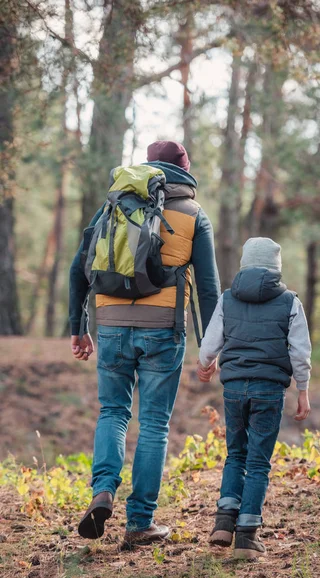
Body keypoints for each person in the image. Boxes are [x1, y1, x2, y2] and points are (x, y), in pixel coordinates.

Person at [69, 140, 220, 549]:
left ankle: (102, 491)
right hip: (162, 331)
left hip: (112, 326)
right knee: (153, 424)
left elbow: (78, 269)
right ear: (184, 169)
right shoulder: (192, 214)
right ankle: (139, 523)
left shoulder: (114, 205)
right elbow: (208, 289)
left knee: (113, 412)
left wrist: (78, 326)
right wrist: (211, 346)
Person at [197, 237, 311, 559]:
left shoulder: (227, 298)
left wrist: (206, 364)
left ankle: (223, 521)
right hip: (269, 390)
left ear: (245, 264)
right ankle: (246, 536)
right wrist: (302, 389)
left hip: (233, 389)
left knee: (235, 454)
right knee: (258, 461)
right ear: (276, 268)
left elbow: (210, 341)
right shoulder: (290, 302)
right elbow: (300, 352)